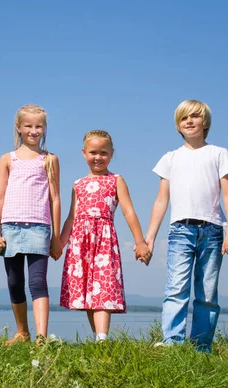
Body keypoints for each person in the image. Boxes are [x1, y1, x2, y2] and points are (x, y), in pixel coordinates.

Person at [144, 100, 228, 353]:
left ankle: (201, 348)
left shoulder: (219, 153)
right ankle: (172, 343)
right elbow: (161, 199)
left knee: (207, 292)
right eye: (184, 118)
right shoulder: (170, 158)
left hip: (213, 230)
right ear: (178, 125)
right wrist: (150, 237)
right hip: (179, 231)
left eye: (195, 116)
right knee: (176, 288)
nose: (189, 121)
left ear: (205, 122)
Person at [59, 130, 151, 342]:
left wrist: (139, 241)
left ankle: (102, 338)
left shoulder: (116, 180)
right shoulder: (78, 184)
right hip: (80, 242)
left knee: (103, 287)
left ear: (111, 154)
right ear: (84, 153)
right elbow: (71, 218)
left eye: (103, 153)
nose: (98, 157)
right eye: (93, 152)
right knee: (87, 292)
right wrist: (60, 244)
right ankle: (97, 338)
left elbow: (129, 211)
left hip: (103, 241)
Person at [0, 104, 61, 345]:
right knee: (14, 282)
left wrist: (57, 236)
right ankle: (23, 332)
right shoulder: (7, 159)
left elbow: (55, 198)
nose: (33, 131)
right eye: (28, 126)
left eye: (38, 126)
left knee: (37, 282)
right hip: (10, 227)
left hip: (40, 227)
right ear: (18, 128)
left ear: (44, 129)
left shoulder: (50, 159)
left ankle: (41, 337)